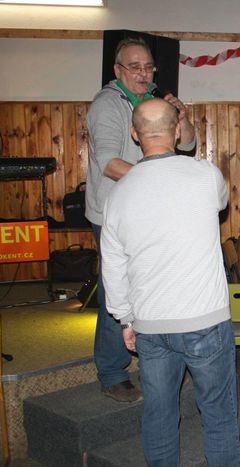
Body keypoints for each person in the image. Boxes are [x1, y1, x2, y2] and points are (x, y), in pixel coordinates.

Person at [101, 98, 240, 465]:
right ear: (177, 130)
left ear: (135, 135)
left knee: (159, 417)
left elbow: (112, 266)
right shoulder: (206, 174)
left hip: (150, 326)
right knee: (219, 416)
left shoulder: (118, 194)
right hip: (205, 321)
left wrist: (125, 319)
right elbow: (221, 204)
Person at [85, 37, 196, 402]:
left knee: (151, 284)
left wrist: (182, 118)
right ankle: (112, 371)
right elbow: (109, 164)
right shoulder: (107, 105)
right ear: (118, 70)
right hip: (113, 212)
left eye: (148, 67)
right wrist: (157, 181)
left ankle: (155, 359)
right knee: (117, 289)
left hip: (149, 209)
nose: (143, 74)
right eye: (135, 67)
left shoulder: (153, 102)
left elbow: (188, 144)